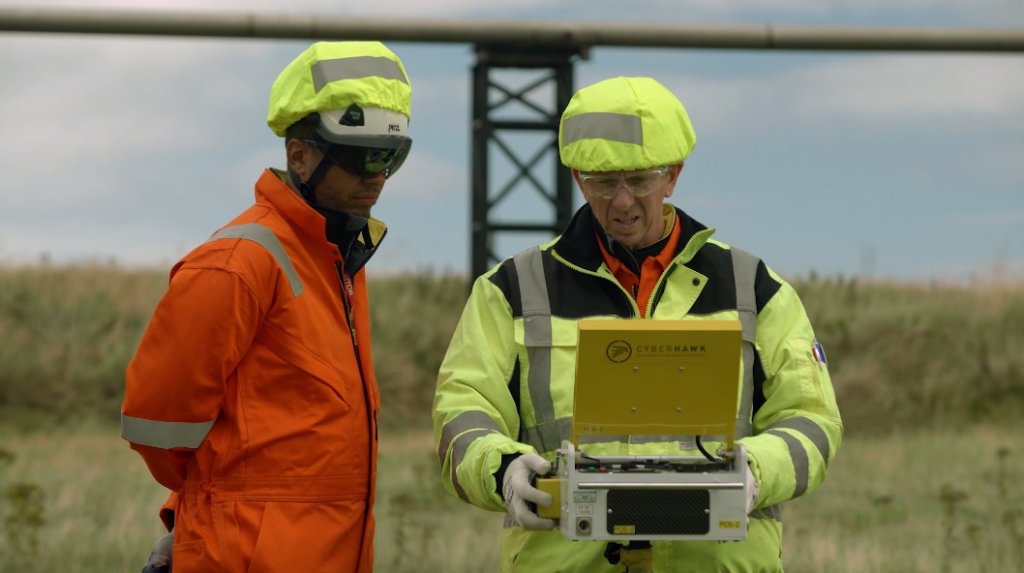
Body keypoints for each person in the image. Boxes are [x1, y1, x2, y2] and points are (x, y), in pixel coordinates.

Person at [432, 76, 842, 572]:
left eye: (640, 180)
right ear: (578, 179)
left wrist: (755, 472)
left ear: (673, 175)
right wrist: (501, 469)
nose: (622, 202)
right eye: (603, 183)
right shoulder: (511, 290)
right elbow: (462, 410)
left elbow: (812, 420)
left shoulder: (752, 288)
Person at [120, 40, 412, 573]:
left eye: (390, 156)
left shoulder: (338, 260)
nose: (377, 175)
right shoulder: (237, 262)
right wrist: (221, 509)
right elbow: (156, 426)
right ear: (299, 155)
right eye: (359, 156)